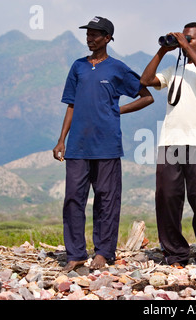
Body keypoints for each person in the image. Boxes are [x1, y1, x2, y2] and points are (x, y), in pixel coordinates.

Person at [52, 16, 154, 272]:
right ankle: (75, 254)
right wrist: (61, 140)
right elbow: (71, 105)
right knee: (73, 199)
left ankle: (103, 253)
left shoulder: (118, 68)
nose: (90, 38)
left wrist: (119, 110)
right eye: (88, 34)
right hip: (77, 146)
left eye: (96, 34)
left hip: (107, 145)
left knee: (107, 199)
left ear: (107, 38)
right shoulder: (78, 67)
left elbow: (146, 96)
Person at [140, 22, 196, 267]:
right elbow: (145, 80)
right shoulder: (172, 70)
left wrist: (185, 47)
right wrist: (162, 51)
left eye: (190, 38)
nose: (183, 41)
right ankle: (175, 252)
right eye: (182, 37)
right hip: (169, 142)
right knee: (167, 197)